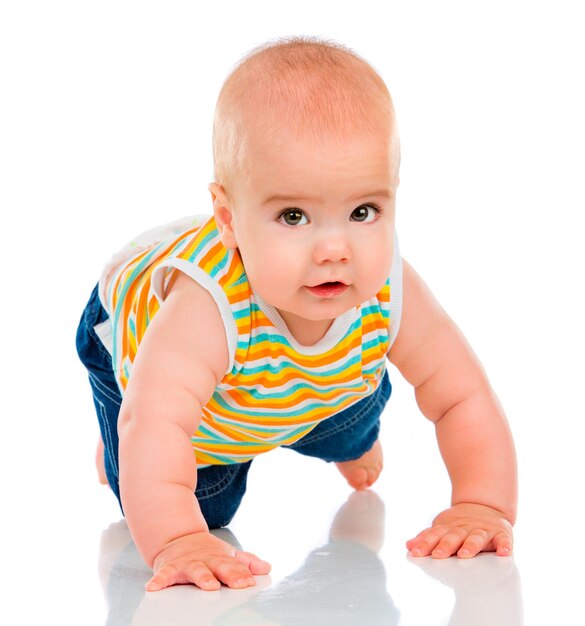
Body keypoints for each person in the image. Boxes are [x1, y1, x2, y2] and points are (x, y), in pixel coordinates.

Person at [76, 36, 517, 592]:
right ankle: (114, 439)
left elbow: (461, 394)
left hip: (306, 378)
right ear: (230, 220)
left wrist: (482, 504)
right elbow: (156, 423)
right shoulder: (206, 310)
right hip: (149, 371)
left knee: (351, 407)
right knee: (202, 507)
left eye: (363, 211)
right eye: (293, 216)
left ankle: (337, 434)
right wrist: (177, 541)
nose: (334, 249)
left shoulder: (386, 285)